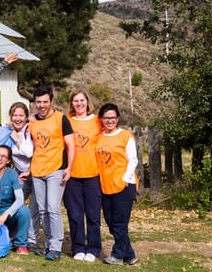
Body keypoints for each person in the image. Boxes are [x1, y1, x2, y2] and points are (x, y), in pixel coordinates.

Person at [28, 85, 75, 261]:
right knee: (42, 210)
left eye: (45, 102)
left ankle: (56, 246)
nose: (42, 105)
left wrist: (69, 167)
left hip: (56, 170)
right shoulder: (32, 122)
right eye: (38, 102)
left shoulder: (61, 119)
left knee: (53, 208)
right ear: (35, 103)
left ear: (51, 101)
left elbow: (71, 145)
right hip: (37, 171)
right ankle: (48, 244)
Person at [96, 103, 139, 266]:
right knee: (111, 221)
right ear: (101, 119)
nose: (110, 121)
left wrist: (125, 179)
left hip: (124, 186)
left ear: (117, 119)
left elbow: (133, 159)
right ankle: (130, 254)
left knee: (120, 222)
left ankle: (118, 255)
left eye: (113, 118)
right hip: (106, 185)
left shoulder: (125, 136)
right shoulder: (99, 137)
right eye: (106, 118)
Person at [66, 89, 102, 262]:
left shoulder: (97, 121)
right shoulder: (68, 120)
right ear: (71, 103)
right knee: (75, 214)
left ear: (87, 102)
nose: (79, 104)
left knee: (93, 215)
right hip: (72, 175)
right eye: (75, 101)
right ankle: (78, 247)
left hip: (92, 174)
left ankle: (94, 248)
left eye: (82, 100)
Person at [6, 102, 39, 255]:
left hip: (36, 172)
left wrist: (16, 139)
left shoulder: (29, 130)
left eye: (21, 115)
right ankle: (12, 237)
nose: (18, 118)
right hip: (21, 173)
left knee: (34, 208)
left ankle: (31, 240)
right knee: (14, 205)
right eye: (15, 115)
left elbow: (29, 152)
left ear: (26, 117)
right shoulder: (9, 131)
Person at [0, 144, 31, 255]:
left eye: (3, 156)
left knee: (24, 211)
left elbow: (20, 199)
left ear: (8, 160)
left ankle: (21, 245)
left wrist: (6, 214)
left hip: (6, 212)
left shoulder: (12, 174)